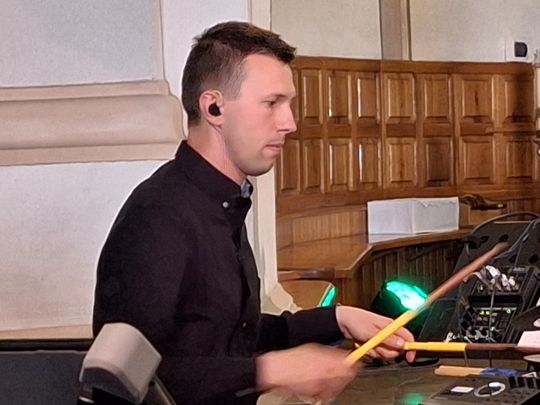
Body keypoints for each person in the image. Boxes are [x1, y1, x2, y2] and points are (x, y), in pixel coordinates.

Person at [93, 21, 415, 404]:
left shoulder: (226, 201)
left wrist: (337, 319)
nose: (289, 123)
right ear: (214, 107)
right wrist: (271, 370)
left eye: (288, 104)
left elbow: (232, 337)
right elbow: (124, 377)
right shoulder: (156, 217)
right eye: (272, 103)